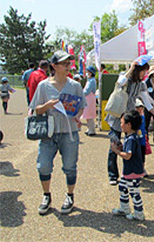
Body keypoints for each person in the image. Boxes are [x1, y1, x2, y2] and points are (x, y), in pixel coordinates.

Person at [29, 50, 87, 215]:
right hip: (48, 133)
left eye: (69, 63)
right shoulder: (43, 86)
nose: (68, 66)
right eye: (65, 63)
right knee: (43, 166)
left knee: (70, 166)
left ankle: (70, 195)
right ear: (54, 66)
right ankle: (46, 195)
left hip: (69, 133)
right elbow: (36, 110)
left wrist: (77, 116)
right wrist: (47, 105)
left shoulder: (75, 85)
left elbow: (81, 105)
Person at [105, 61, 154, 185]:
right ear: (137, 70)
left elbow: (147, 102)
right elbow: (120, 82)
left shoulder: (141, 84)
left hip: (130, 117)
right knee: (114, 145)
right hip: (117, 114)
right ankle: (112, 175)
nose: (145, 74)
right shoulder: (126, 78)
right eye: (144, 71)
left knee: (132, 145)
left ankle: (132, 171)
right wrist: (131, 68)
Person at [111, 110, 145, 221]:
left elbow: (128, 156)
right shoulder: (130, 136)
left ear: (128, 125)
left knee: (134, 192)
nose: (120, 125)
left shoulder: (131, 139)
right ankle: (124, 208)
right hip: (129, 171)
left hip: (132, 171)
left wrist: (116, 151)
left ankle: (139, 213)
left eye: (122, 123)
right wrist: (120, 148)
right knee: (122, 188)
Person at [144, 65, 154, 145]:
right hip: (148, 106)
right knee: (146, 123)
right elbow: (146, 95)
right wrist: (153, 103)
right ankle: (146, 140)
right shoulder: (146, 82)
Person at [81, 66, 97, 136]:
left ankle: (92, 130)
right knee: (87, 115)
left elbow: (87, 90)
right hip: (88, 98)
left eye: (88, 72)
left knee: (89, 115)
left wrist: (81, 93)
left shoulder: (92, 80)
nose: (87, 73)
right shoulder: (90, 80)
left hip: (89, 98)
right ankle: (89, 129)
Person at [135, 98, 147, 173]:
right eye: (137, 107)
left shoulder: (143, 117)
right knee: (135, 155)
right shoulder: (133, 118)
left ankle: (142, 169)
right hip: (136, 139)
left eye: (140, 107)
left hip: (142, 139)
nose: (139, 109)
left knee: (142, 155)